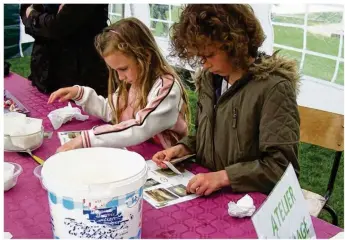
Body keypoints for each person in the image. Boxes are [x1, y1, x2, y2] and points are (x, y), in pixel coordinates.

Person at [152, 4, 300, 195]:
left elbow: (282, 168)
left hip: (251, 199)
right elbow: (209, 134)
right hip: (211, 191)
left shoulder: (273, 88)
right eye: (200, 56)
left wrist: (223, 177)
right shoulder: (209, 78)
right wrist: (184, 148)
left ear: (235, 45)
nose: (204, 64)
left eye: (210, 55)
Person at [48, 17, 190, 152]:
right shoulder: (132, 82)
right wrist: (82, 94)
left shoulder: (166, 88)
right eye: (115, 71)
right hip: (139, 153)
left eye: (123, 69)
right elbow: (113, 111)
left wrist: (87, 139)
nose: (120, 77)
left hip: (166, 162)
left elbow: (141, 127)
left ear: (145, 57)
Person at [20, 4, 109, 96]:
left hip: (80, 70)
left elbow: (57, 26)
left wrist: (33, 15)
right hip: (44, 67)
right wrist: (35, 17)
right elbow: (25, 11)